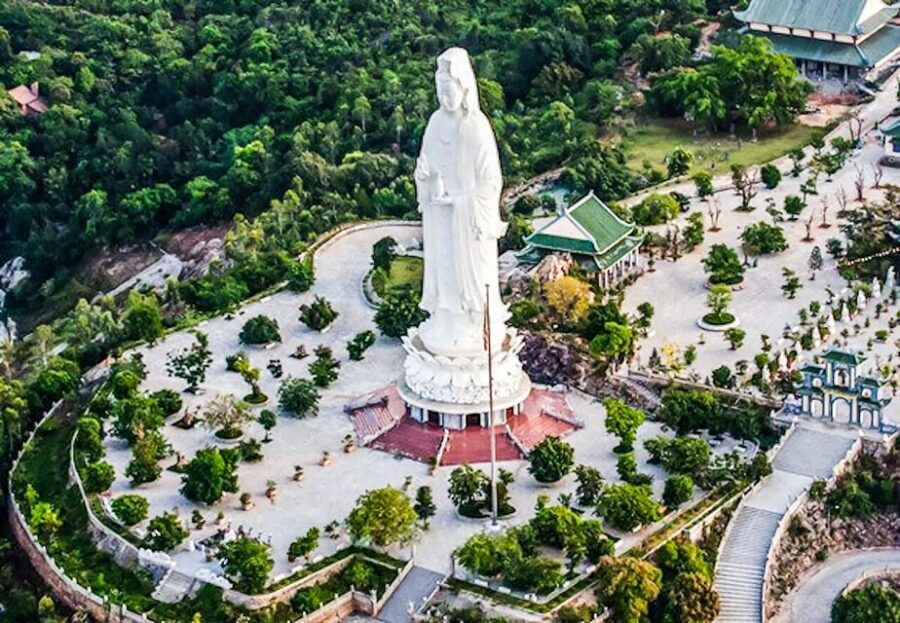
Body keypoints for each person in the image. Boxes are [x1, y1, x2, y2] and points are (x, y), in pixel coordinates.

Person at [414, 47, 508, 358]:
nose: (445, 96)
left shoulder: (476, 127)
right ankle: (446, 321)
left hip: (467, 220)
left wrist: (459, 201)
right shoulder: (435, 122)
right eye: (440, 89)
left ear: (464, 87)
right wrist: (424, 178)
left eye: (450, 88)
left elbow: (491, 182)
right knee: (444, 272)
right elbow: (425, 166)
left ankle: (473, 323)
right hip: (441, 217)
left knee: (472, 276)